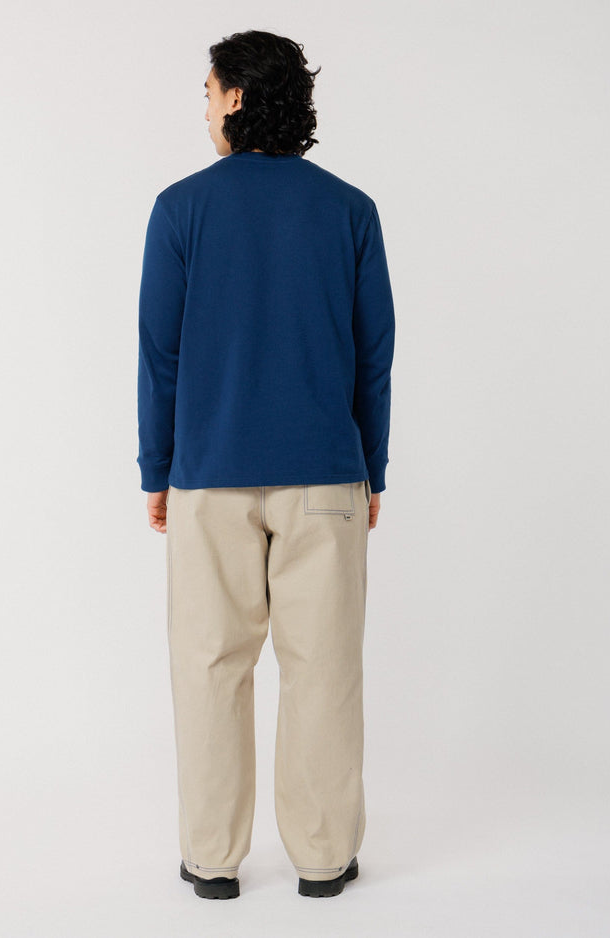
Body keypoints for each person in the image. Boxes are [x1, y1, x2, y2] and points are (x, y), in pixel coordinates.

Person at [136, 29, 395, 900]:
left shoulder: (181, 208)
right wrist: (372, 469)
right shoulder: (349, 209)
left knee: (211, 665)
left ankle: (212, 859)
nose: (205, 109)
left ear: (238, 97)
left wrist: (157, 469)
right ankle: (323, 859)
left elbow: (160, 354)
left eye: (209, 93)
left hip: (209, 474)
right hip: (325, 474)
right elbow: (373, 355)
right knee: (324, 666)